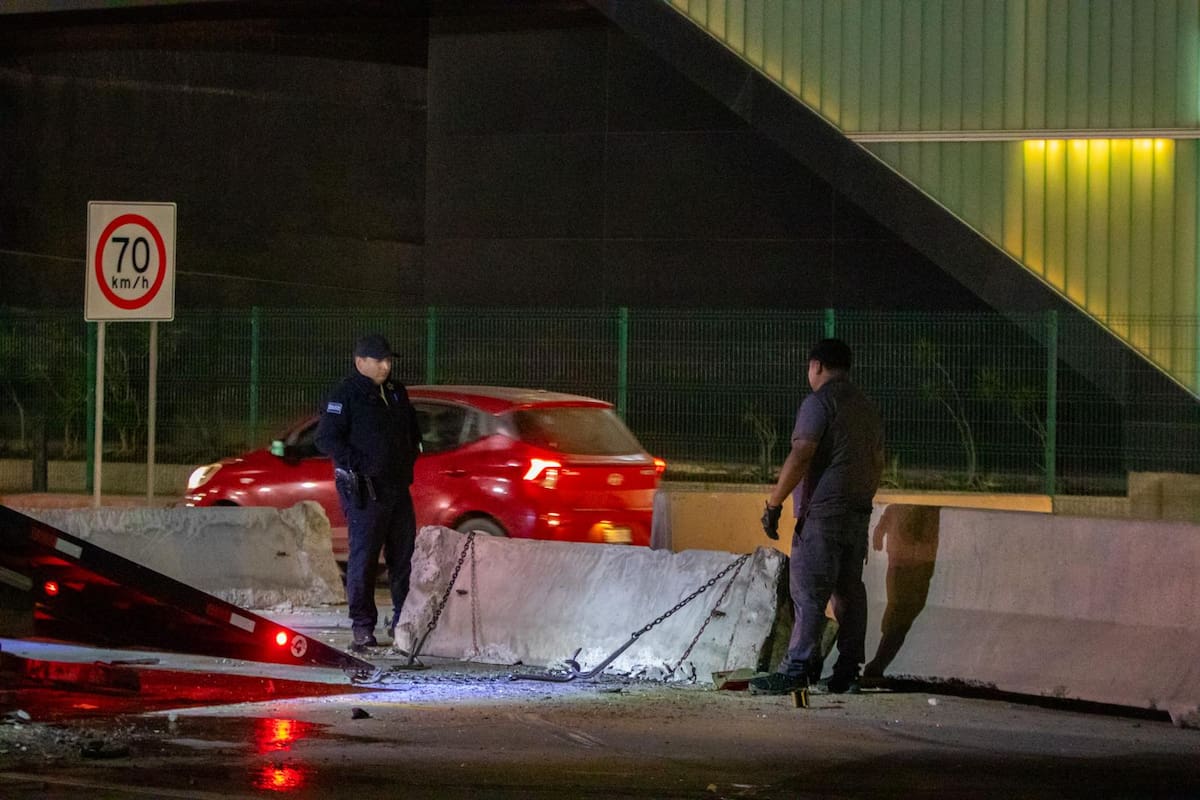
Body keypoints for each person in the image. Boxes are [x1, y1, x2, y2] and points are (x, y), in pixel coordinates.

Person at [751, 338, 884, 695]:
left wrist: (774, 503)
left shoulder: (819, 403)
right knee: (848, 592)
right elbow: (877, 461)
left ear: (817, 366)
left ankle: (797, 669)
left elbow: (801, 454)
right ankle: (847, 670)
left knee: (809, 591)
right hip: (857, 513)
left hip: (823, 514)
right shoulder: (865, 407)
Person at [315, 333, 422, 650]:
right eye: (379, 360)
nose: (385, 366)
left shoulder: (395, 392)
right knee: (364, 561)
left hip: (397, 488)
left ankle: (403, 623)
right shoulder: (345, 394)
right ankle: (363, 626)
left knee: (403, 560)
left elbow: (411, 431)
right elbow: (326, 439)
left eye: (388, 360)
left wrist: (408, 457)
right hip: (365, 491)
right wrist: (359, 464)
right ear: (360, 361)